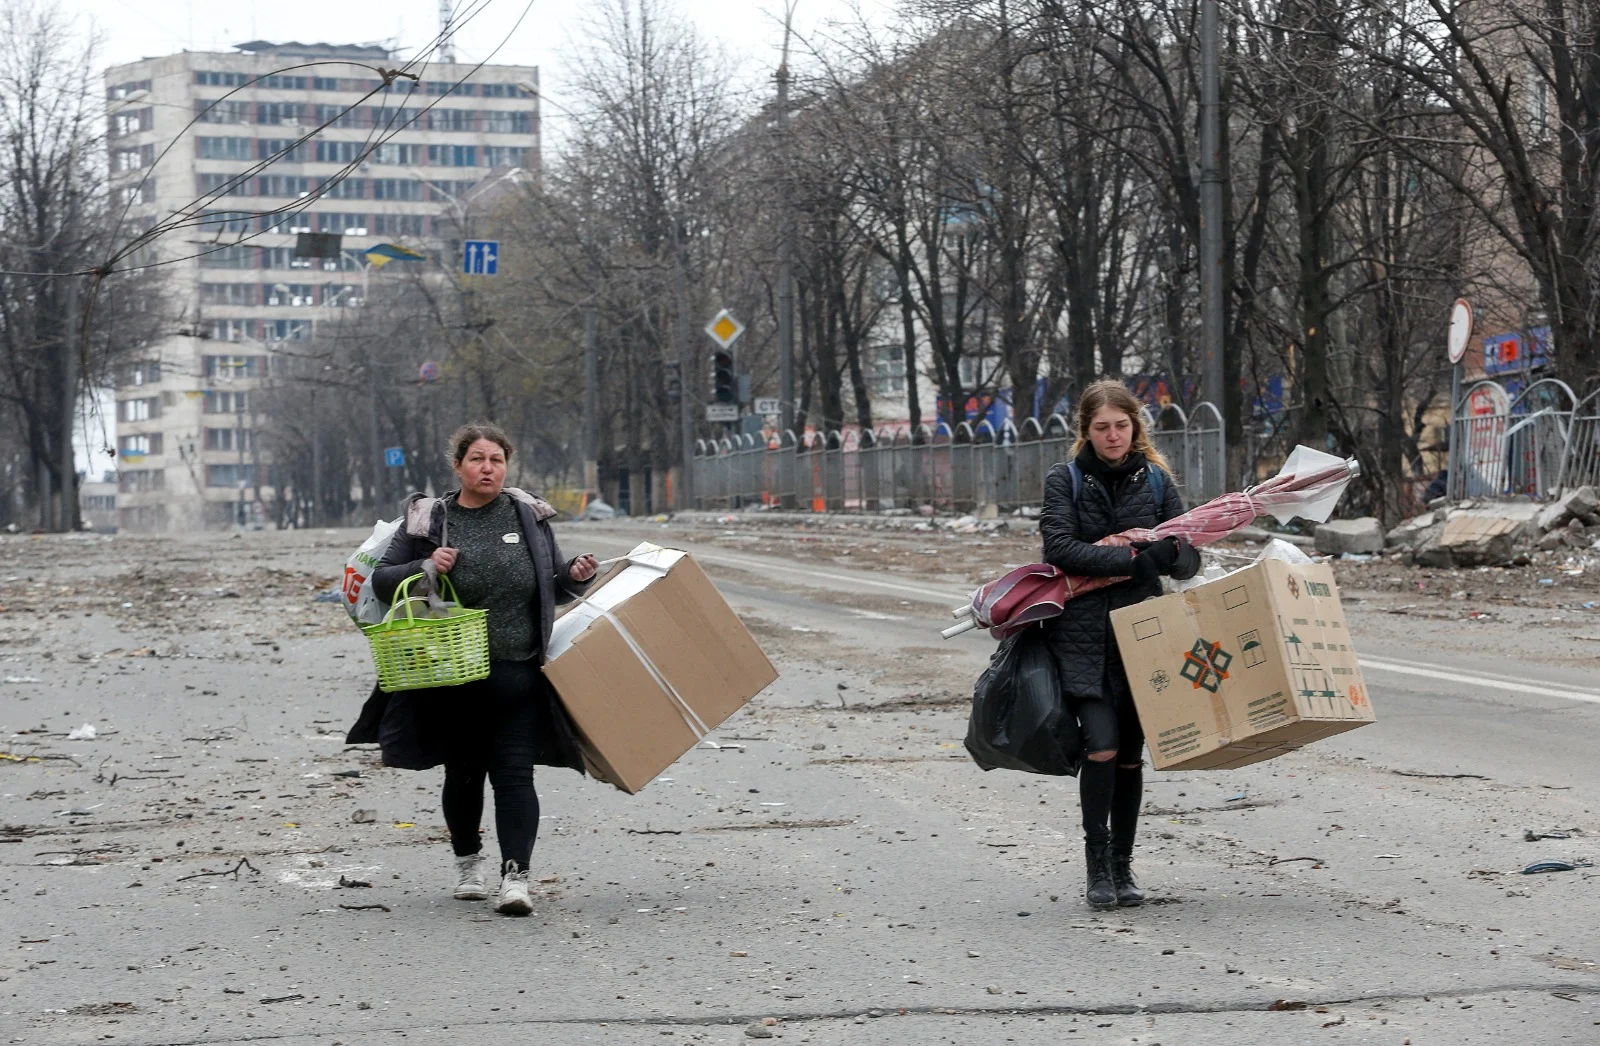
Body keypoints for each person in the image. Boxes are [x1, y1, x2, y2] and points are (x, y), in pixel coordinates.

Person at [346, 423, 599, 916]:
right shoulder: (429, 521)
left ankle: (516, 878)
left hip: (517, 670)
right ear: (458, 465)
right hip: (451, 674)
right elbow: (379, 583)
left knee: (514, 774)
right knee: (464, 772)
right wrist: (426, 567)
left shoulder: (527, 516)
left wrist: (574, 575)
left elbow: (552, 583)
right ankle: (467, 864)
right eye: (478, 459)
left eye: (497, 460)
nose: (488, 468)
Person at [1040, 381, 1200, 909]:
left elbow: (1188, 551)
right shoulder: (1066, 480)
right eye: (1103, 427)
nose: (1113, 436)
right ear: (1086, 430)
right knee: (1101, 745)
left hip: (1144, 633)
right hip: (1083, 634)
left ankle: (1123, 868)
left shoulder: (1154, 479)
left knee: (1130, 755)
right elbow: (1060, 548)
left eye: (1122, 425)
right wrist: (1133, 560)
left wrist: (1172, 555)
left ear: (1136, 426)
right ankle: (1096, 869)